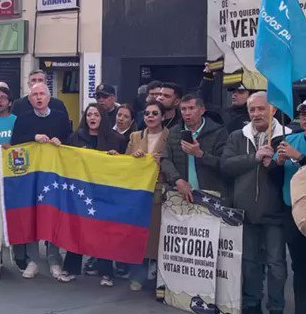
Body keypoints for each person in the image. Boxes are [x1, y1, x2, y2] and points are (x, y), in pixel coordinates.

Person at [221, 92, 291, 314]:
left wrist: (275, 165)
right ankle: (252, 300)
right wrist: (254, 158)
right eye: (252, 110)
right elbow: (226, 165)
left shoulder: (287, 136)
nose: (256, 114)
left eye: (261, 109)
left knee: (276, 264)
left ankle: (276, 308)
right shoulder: (236, 136)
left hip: (276, 213)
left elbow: (291, 175)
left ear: (272, 110)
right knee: (249, 261)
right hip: (246, 211)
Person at [9, 83, 72, 279]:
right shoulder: (23, 119)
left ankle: (54, 260)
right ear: (30, 99)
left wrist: (61, 143)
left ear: (48, 97)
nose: (38, 97)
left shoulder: (61, 118)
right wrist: (33, 137)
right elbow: (15, 142)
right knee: (31, 216)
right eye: (34, 94)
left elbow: (71, 142)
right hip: (31, 175)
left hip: (54, 175)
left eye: (42, 94)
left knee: (52, 214)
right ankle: (33, 260)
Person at [61, 104, 127, 286]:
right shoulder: (75, 137)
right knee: (78, 230)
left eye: (96, 114)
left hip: (104, 192)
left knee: (102, 231)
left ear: (102, 118)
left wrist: (117, 158)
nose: (92, 118)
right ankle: (70, 268)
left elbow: (125, 165)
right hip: (81, 191)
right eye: (89, 114)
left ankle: (106, 272)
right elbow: (66, 159)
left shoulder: (116, 139)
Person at [125, 100, 170, 292]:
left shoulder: (170, 136)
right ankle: (138, 276)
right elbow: (124, 162)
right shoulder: (135, 136)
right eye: (147, 114)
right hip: (139, 192)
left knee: (160, 238)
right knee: (139, 236)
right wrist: (133, 157)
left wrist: (164, 161)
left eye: (154, 113)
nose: (150, 117)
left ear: (162, 116)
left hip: (161, 192)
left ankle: (161, 280)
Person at [159, 93, 229, 204]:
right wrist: (177, 180)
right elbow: (165, 159)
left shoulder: (218, 132)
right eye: (183, 109)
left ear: (202, 110)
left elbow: (226, 164)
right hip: (180, 193)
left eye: (191, 108)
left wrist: (200, 154)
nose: (187, 113)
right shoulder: (173, 132)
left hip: (210, 194)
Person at [274, 100, 306, 314]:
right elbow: (277, 174)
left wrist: (300, 158)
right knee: (300, 267)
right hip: (293, 211)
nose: (304, 118)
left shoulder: (296, 147)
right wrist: (276, 162)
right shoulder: (292, 139)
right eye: (302, 114)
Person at [199, 65, 252, 133]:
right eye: (233, 91)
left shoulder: (257, 114)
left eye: (240, 92)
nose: (234, 94)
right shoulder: (223, 114)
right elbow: (200, 103)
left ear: (251, 95)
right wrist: (208, 78)